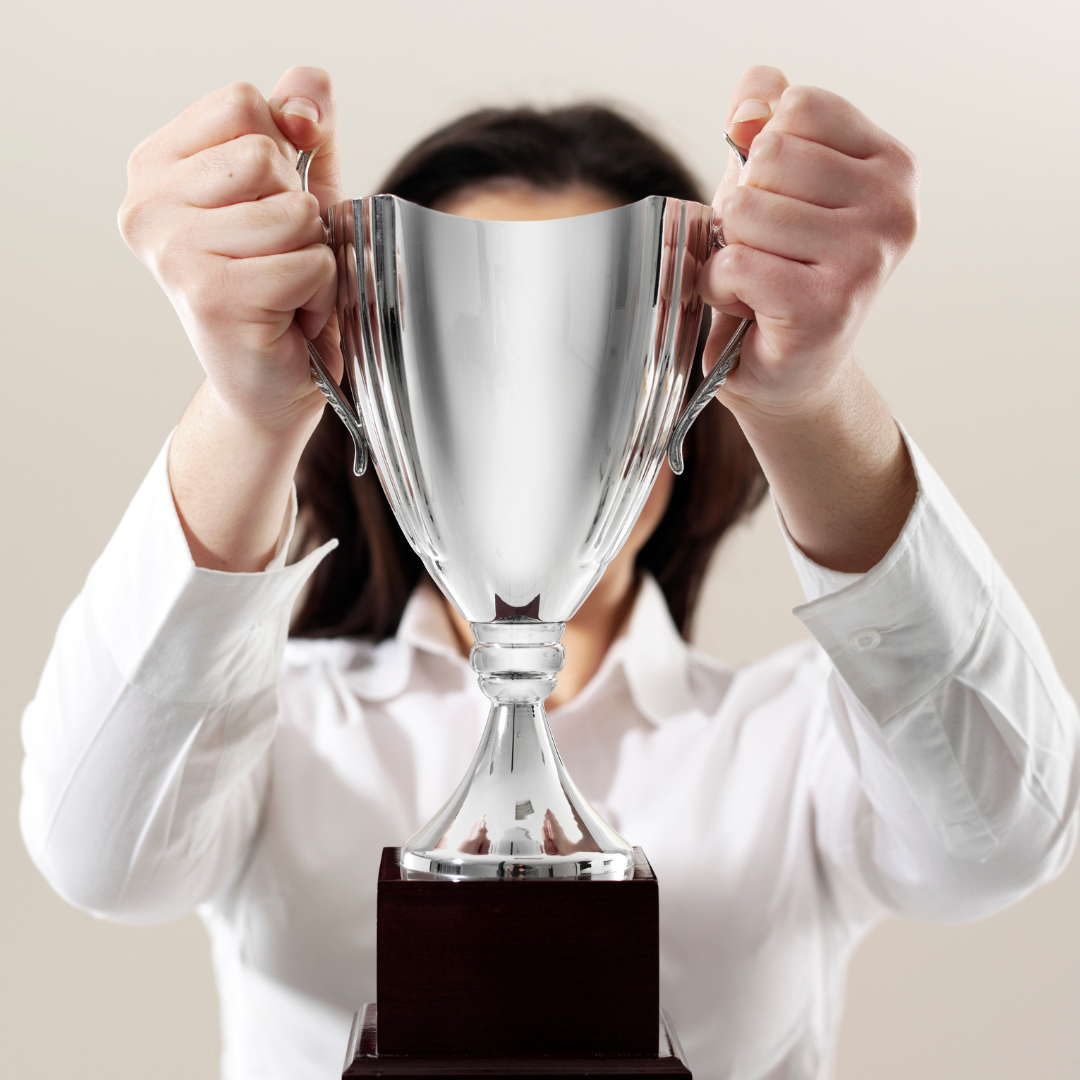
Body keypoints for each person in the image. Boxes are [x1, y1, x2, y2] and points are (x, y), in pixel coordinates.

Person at [19, 64, 1079, 1080]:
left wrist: (809, 395)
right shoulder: (281, 721)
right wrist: (252, 404)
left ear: (672, 385)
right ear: (383, 390)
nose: (523, 424)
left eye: (579, 361)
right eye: (472, 358)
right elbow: (98, 858)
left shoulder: (793, 735)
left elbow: (1005, 836)